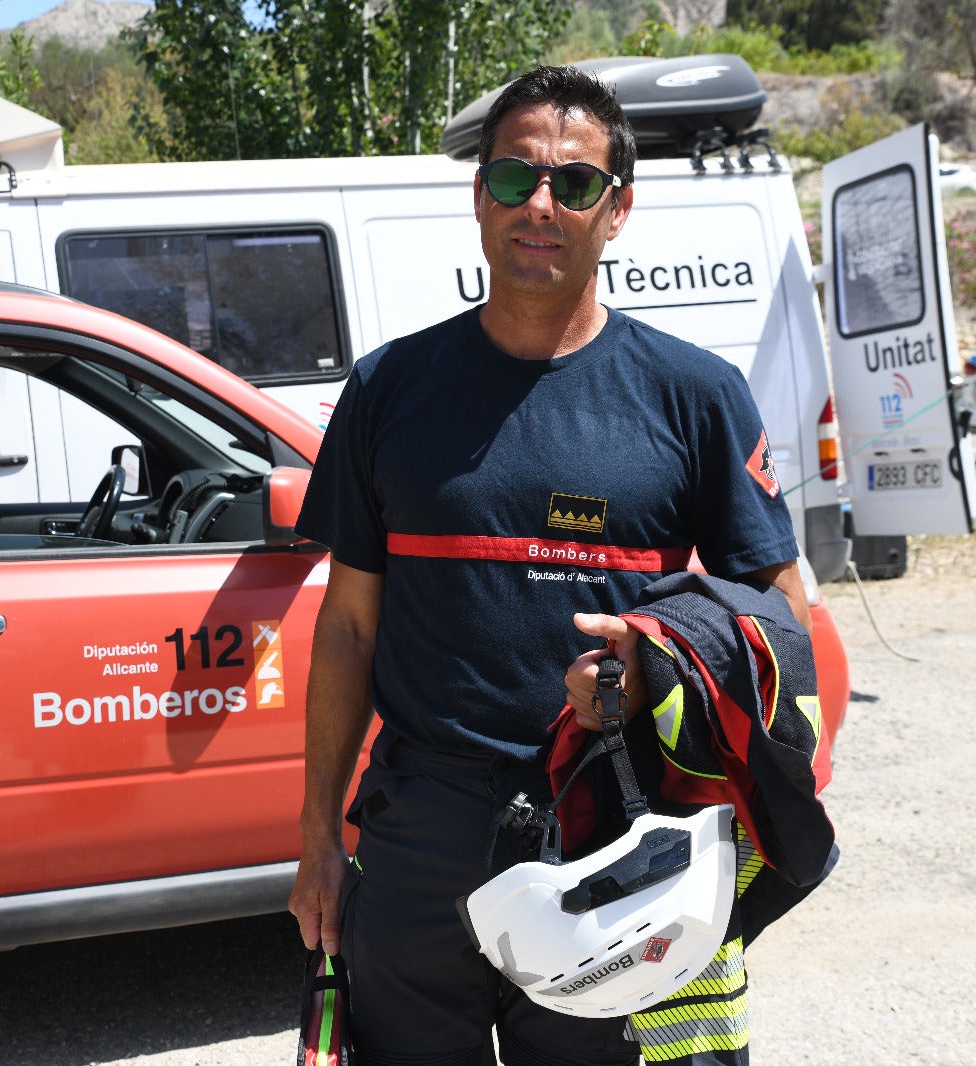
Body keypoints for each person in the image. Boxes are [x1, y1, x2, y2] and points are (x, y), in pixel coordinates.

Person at [287, 63, 813, 1066]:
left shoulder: (694, 395)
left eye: (573, 184)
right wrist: (317, 837)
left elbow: (777, 616)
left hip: (617, 817)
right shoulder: (387, 388)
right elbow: (349, 625)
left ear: (616, 210)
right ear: (476, 194)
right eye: (513, 177)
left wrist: (661, 664)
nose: (540, 204)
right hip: (420, 831)